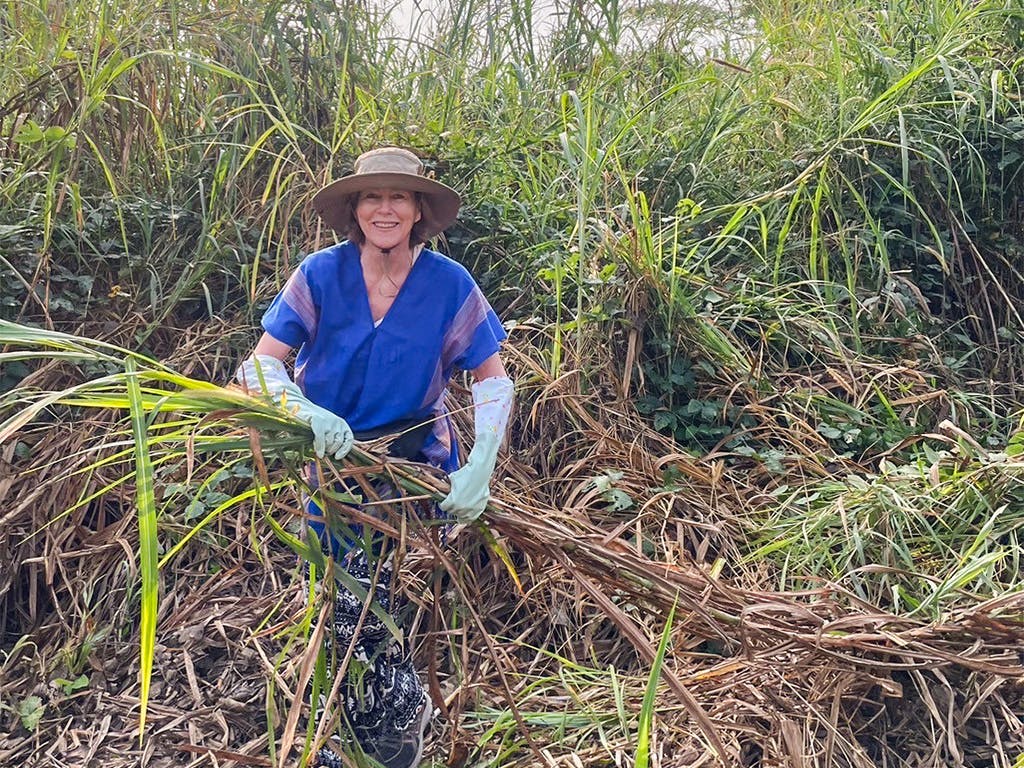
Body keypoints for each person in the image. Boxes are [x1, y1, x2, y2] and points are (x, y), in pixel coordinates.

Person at [235, 147, 513, 768]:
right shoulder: (319, 276)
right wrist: (305, 413)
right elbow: (259, 364)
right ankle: (358, 726)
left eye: (399, 197)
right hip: (334, 467)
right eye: (371, 197)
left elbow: (492, 381)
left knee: (395, 597)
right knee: (339, 597)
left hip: (415, 469)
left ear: (418, 211)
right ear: (354, 211)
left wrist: (482, 465)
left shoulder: (448, 286)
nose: (385, 209)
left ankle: (396, 722)